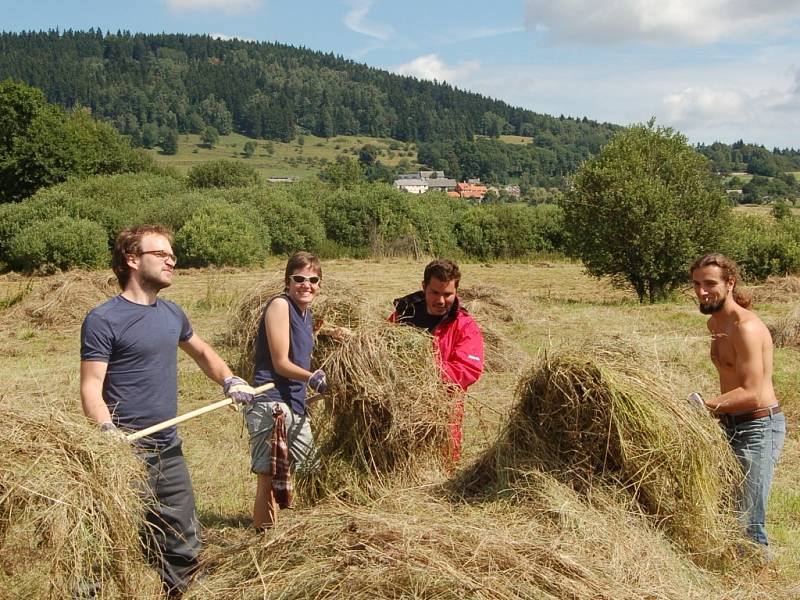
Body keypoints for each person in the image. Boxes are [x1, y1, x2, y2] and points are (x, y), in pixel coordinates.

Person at [80, 225, 255, 598]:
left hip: (167, 450)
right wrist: (106, 431)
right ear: (132, 259)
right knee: (108, 542)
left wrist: (230, 380)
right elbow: (91, 387)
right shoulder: (104, 319)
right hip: (124, 452)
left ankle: (182, 591)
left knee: (182, 540)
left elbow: (204, 353)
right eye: (160, 254)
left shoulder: (173, 314)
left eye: (171, 254)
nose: (171, 260)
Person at [690, 253, 786, 551]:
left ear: (730, 283)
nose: (701, 291)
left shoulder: (746, 328)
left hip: (759, 427)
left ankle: (764, 582)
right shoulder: (716, 325)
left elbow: (752, 392)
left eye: (710, 283)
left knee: (748, 520)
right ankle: (738, 569)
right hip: (730, 426)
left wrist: (703, 406)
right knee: (727, 512)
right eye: (696, 284)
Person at [244, 251, 328, 530]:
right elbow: (281, 363)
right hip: (271, 403)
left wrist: (314, 390)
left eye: (313, 279)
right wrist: (312, 378)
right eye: (299, 278)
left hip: (294, 403)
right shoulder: (280, 306)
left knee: (310, 469)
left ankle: (315, 528)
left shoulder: (307, 314)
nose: (306, 284)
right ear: (288, 281)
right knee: (269, 474)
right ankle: (262, 539)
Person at [389, 259, 484, 461]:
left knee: (443, 462)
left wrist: (423, 369)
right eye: (435, 292)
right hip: (400, 408)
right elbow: (381, 347)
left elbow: (468, 369)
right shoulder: (403, 316)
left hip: (443, 413)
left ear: (457, 291)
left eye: (448, 294)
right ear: (424, 287)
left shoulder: (464, 326)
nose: (441, 300)